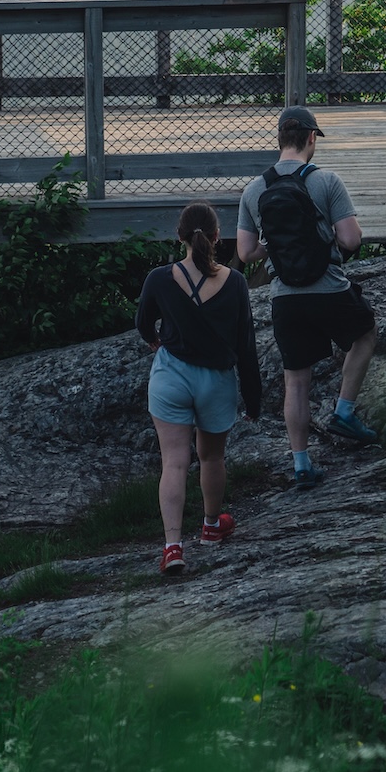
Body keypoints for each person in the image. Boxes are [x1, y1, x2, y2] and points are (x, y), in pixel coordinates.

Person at [236, 105, 379, 492]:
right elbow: (351, 240)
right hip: (329, 288)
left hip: (285, 297)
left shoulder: (254, 189)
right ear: (311, 138)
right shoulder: (326, 180)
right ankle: (344, 411)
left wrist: (279, 246)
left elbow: (247, 253)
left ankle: (301, 465)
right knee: (365, 334)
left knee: (295, 382)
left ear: (280, 138)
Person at [135, 202, 265, 576]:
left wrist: (158, 343)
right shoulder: (236, 283)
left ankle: (173, 547)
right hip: (216, 381)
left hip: (171, 377)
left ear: (180, 237)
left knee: (174, 462)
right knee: (211, 458)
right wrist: (253, 399)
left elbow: (144, 324)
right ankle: (211, 526)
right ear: (216, 237)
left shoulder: (159, 278)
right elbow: (245, 346)